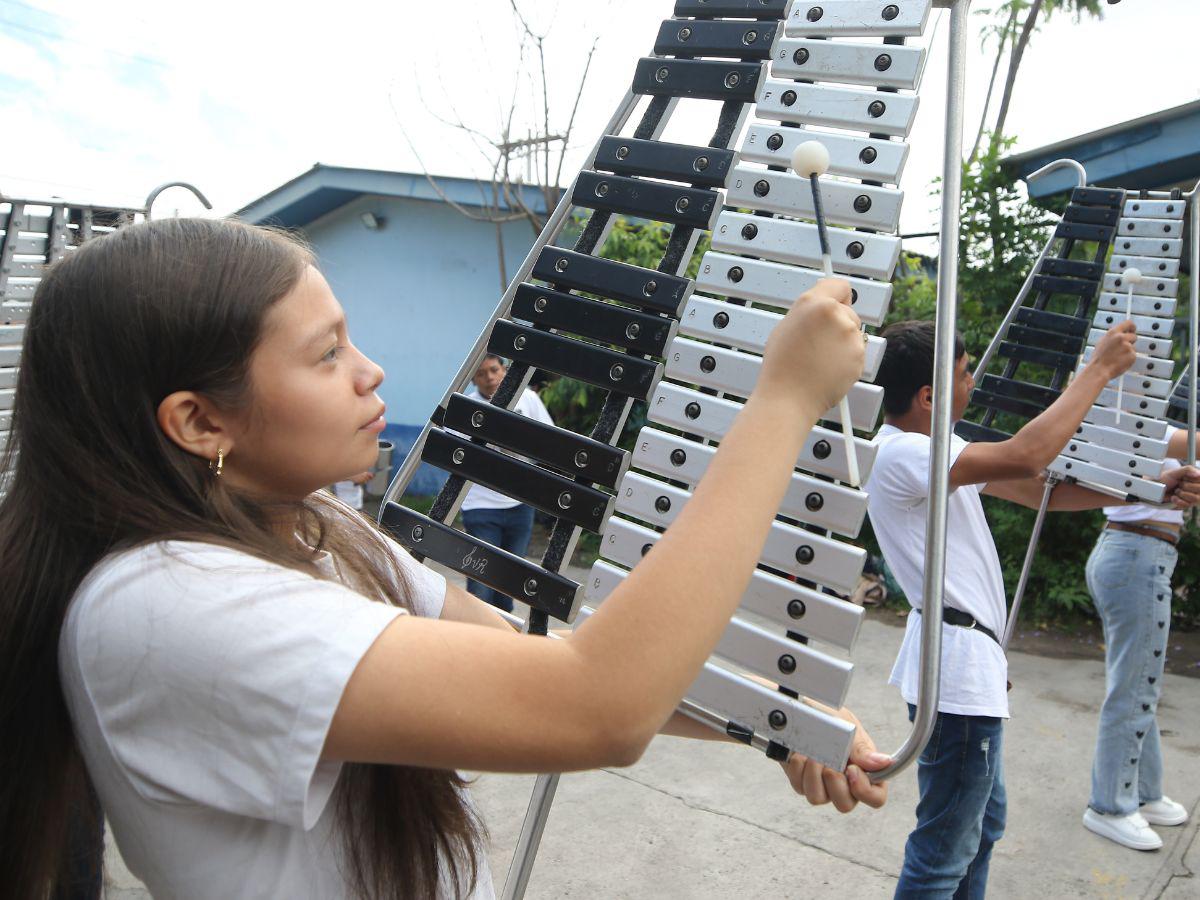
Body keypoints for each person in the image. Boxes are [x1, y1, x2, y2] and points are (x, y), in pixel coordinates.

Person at [0, 218, 890, 899]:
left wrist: (775, 717)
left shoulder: (316, 527)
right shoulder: (160, 604)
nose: (371, 372)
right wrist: (783, 401)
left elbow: (524, 660)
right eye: (327, 354)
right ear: (200, 422)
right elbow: (596, 705)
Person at [866, 320, 1200, 899]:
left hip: (965, 664)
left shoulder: (936, 453)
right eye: (965, 373)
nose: (973, 381)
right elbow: (1026, 456)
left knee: (979, 831)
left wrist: (1153, 489)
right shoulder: (904, 453)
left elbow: (1040, 487)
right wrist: (1098, 370)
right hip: (955, 672)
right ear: (928, 396)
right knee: (943, 852)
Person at [1082, 426, 1195, 850]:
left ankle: (1143, 791)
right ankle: (1109, 805)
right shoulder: (1135, 418)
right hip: (1136, 553)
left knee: (1138, 683)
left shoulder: (1151, 424)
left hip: (1136, 552)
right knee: (1133, 688)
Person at [459, 355, 553, 612]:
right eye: (481, 374)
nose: (489, 378)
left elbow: (549, 442)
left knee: (509, 584)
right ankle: (477, 633)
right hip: (480, 506)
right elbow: (458, 454)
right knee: (481, 584)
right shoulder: (466, 407)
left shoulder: (528, 399)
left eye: (494, 370)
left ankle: (502, 635)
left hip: (520, 505)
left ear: (505, 370)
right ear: (473, 379)